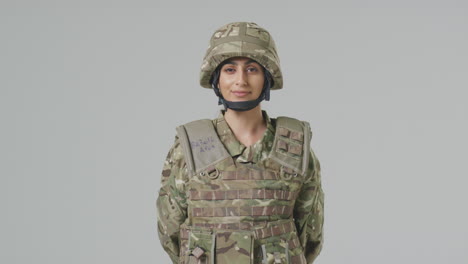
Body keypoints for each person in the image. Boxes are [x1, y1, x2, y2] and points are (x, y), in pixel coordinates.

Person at [156, 21, 324, 264]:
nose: (241, 81)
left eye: (252, 69)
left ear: (267, 76)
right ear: (216, 77)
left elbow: (310, 232)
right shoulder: (188, 148)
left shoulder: (294, 148)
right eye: (230, 69)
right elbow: (170, 231)